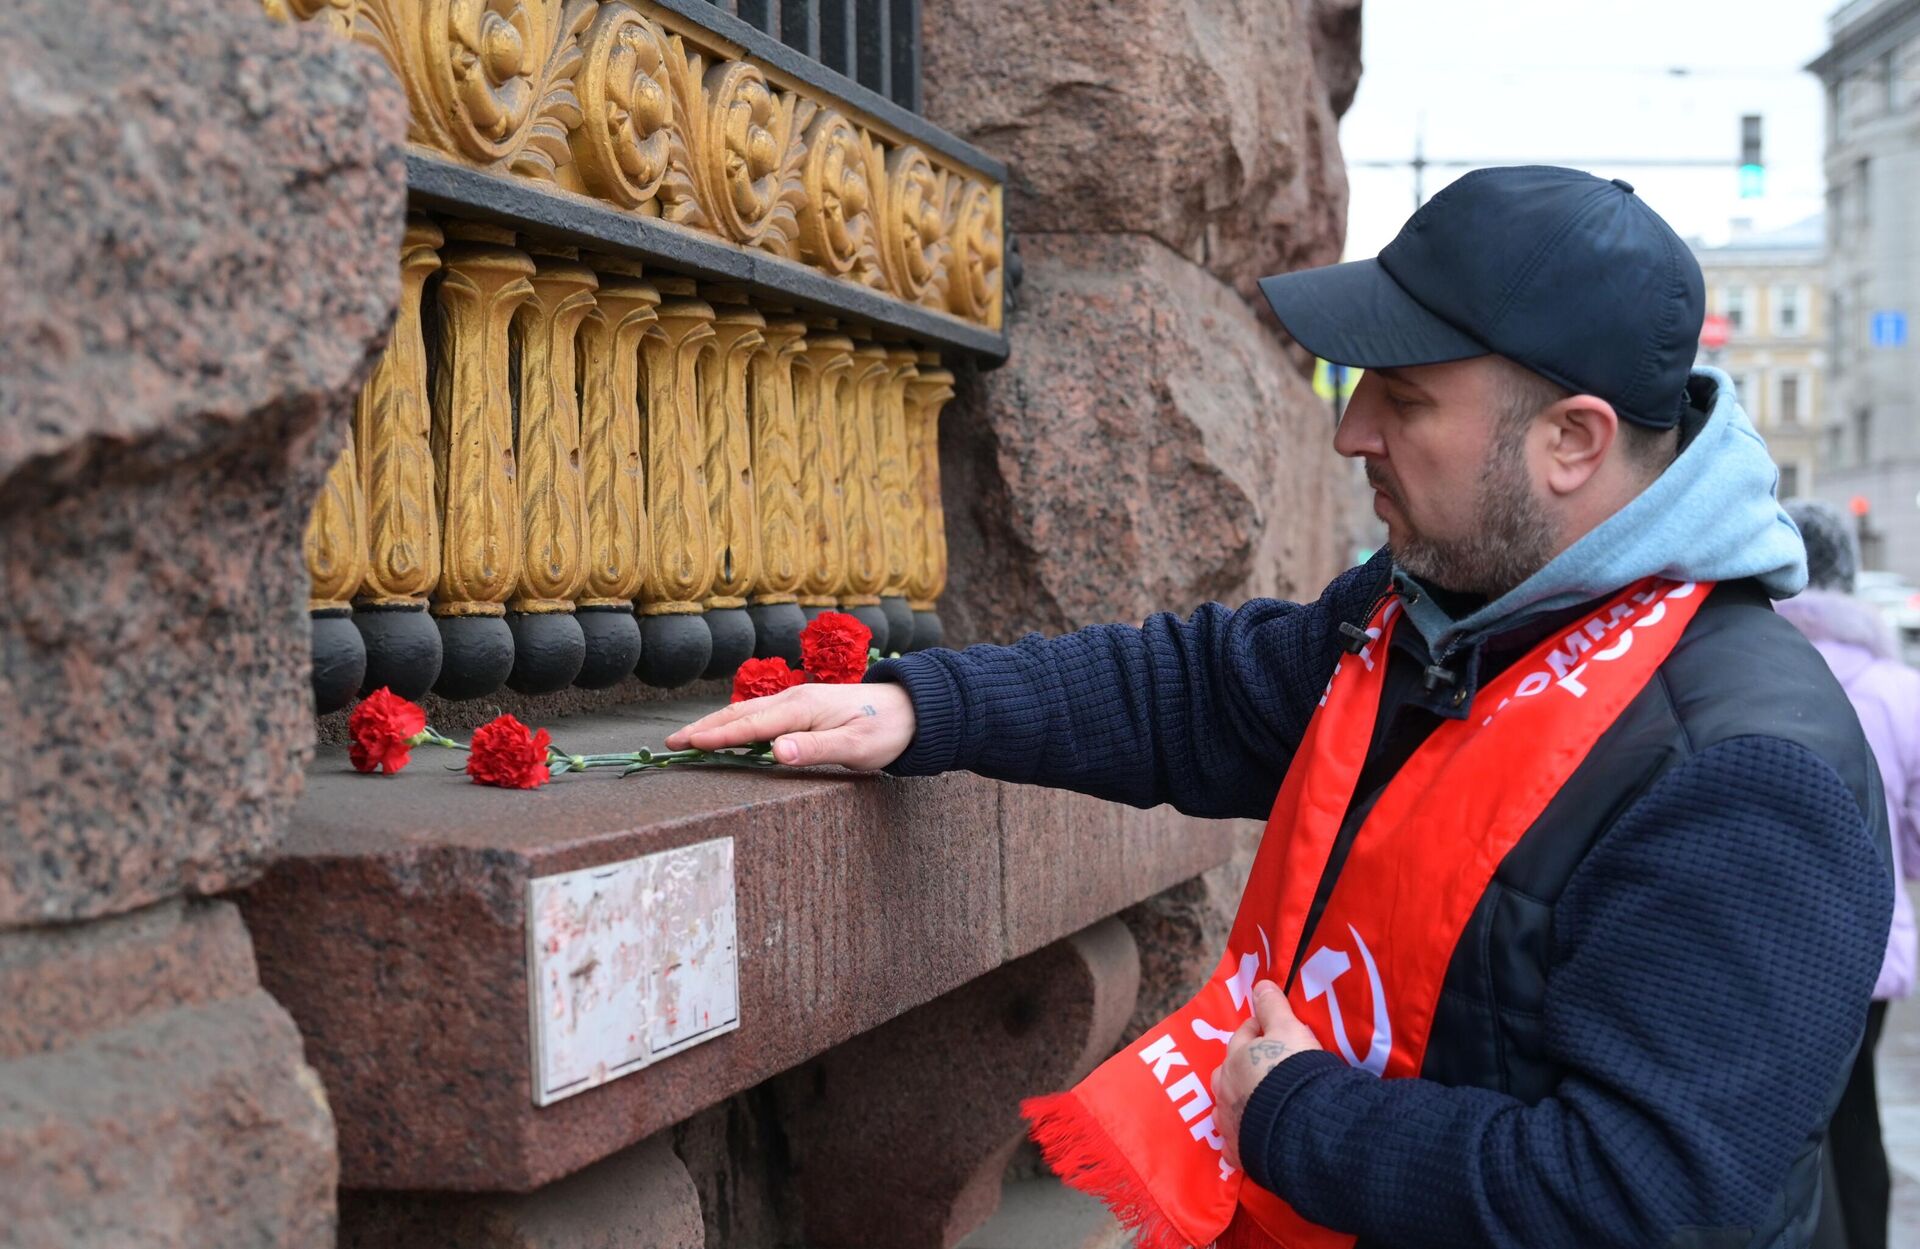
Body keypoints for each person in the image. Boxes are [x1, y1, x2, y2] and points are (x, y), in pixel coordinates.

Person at [671, 167, 1893, 1249]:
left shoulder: (1741, 770)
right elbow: (1201, 691)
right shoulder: (1446, 608)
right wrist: (920, 707)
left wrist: (1304, 1118)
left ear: (1572, 441)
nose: (1351, 429)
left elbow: (1654, 1199)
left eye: (1404, 398)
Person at [1778, 499, 1918, 1249]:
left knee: (1777, 1131)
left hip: (1759, 951)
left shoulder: (1746, 662)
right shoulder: (1902, 691)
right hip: (1866, 956)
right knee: (1855, 1123)